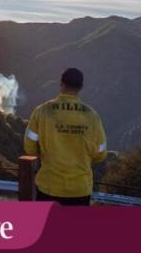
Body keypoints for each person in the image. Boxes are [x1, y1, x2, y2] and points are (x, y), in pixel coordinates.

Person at [24, 68, 107, 205]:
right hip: (80, 190)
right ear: (80, 87)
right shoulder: (92, 116)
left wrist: (44, 153)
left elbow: (29, 147)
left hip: (49, 187)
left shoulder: (42, 111)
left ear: (61, 84)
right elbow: (101, 153)